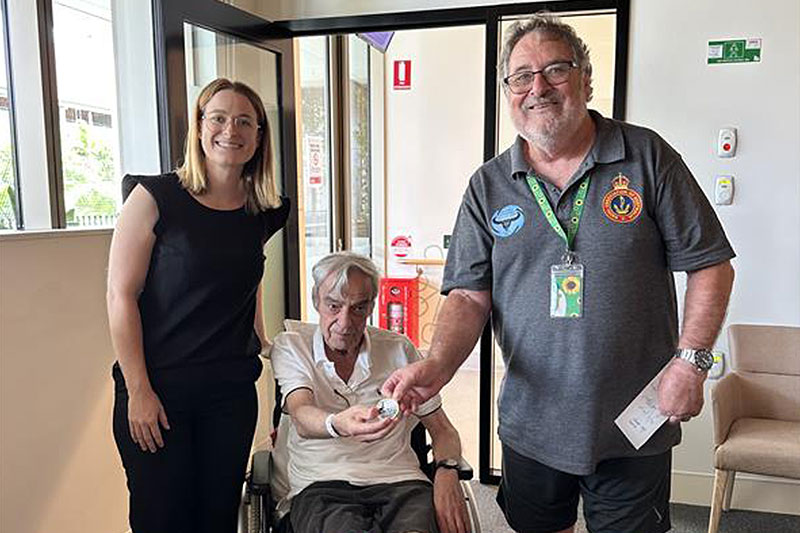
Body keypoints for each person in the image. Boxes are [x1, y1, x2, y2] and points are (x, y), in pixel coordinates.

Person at [383, 13, 735, 533]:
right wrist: (437, 367)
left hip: (634, 419)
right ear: (508, 92)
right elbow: (468, 297)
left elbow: (710, 264)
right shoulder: (489, 186)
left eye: (555, 70)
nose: (538, 87)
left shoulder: (646, 157)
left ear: (586, 80)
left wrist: (691, 363)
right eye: (522, 76)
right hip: (533, 424)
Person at [107, 78, 290, 533]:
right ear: (199, 127)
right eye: (220, 118)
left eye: (246, 121)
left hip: (229, 395)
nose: (232, 129)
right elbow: (120, 296)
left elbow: (246, 276)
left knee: (216, 519)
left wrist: (261, 337)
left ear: (259, 136)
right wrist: (139, 392)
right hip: (160, 392)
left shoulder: (264, 210)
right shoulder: (153, 198)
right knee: (162, 519)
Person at [270, 252, 471, 533]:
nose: (344, 322)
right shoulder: (292, 346)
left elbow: (444, 431)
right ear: (316, 300)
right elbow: (302, 414)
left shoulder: (399, 349)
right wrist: (338, 423)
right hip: (322, 486)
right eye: (333, 306)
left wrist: (447, 473)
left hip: (402, 484)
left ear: (372, 307)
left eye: (358, 308)